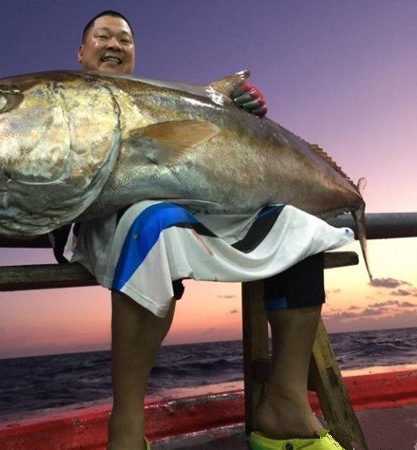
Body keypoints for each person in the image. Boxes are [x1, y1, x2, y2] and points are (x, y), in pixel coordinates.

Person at [56, 10, 349, 450]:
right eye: (103, 37)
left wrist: (235, 113)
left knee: (296, 225)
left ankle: (285, 405)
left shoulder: (157, 96)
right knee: (152, 222)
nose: (115, 45)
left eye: (125, 40)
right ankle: (127, 428)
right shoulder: (59, 97)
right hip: (102, 220)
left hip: (183, 212)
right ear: (82, 52)